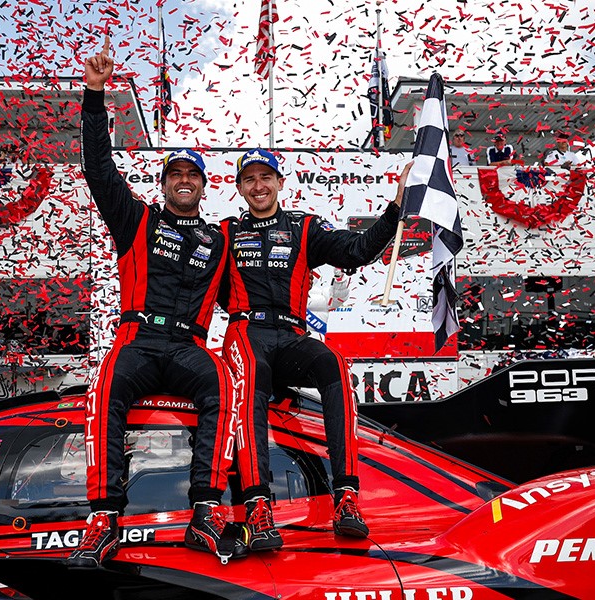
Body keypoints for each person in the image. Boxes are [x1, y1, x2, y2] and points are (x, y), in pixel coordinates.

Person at [69, 36, 246, 568]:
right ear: (164, 183)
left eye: (193, 175)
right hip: (138, 341)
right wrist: (95, 95)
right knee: (106, 389)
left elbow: (263, 286)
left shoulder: (223, 240)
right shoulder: (137, 220)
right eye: (176, 175)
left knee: (223, 382)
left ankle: (206, 515)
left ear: (203, 185)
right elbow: (99, 171)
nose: (185, 181)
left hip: (190, 346)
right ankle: (103, 521)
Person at [221, 148, 404, 551]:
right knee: (252, 372)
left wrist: (395, 210)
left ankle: (346, 497)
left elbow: (356, 250)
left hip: (291, 335)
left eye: (266, 177)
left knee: (333, 364)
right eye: (249, 179)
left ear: (280, 183)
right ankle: (257, 505)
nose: (259, 185)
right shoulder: (226, 233)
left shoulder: (303, 229)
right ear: (239, 189)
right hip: (246, 333)